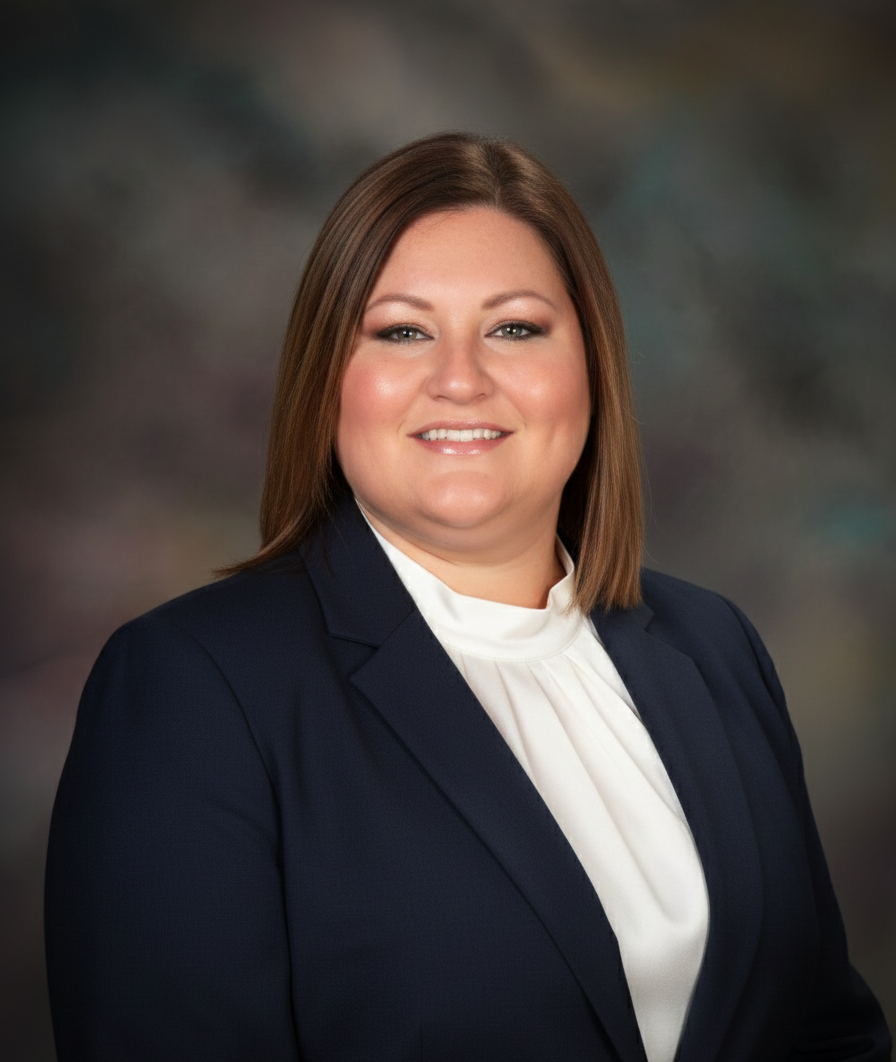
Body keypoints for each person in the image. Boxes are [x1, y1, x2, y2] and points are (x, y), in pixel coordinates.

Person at [45, 132, 890, 1062]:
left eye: (515, 328)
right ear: (329, 377)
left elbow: (825, 1034)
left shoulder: (715, 646)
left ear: (593, 367)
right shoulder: (191, 687)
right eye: (402, 330)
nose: (460, 379)